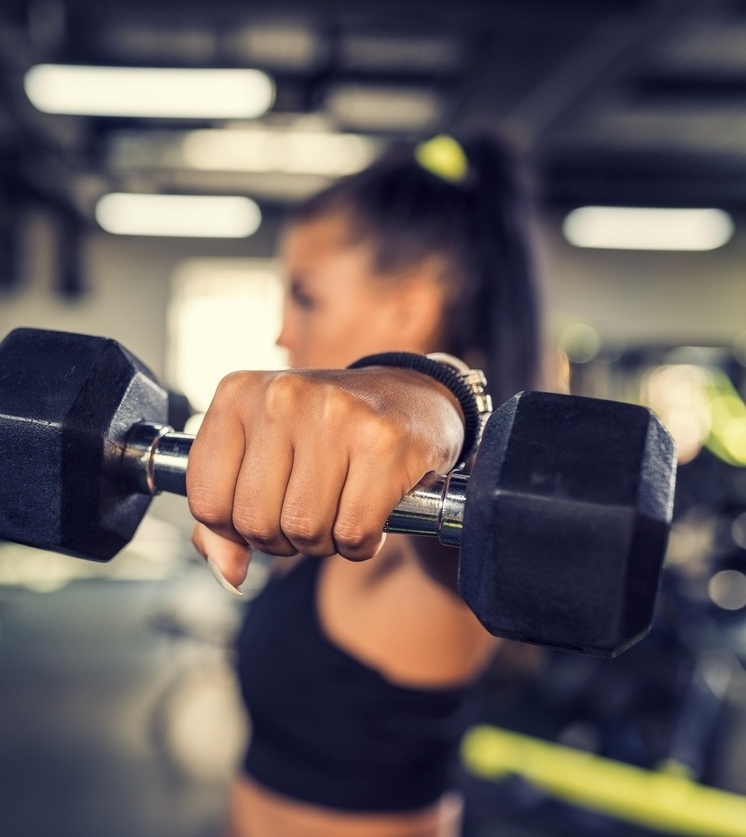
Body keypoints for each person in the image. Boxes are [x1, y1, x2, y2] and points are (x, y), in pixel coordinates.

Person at [186, 132, 543, 837]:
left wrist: (431, 395)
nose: (284, 332)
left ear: (410, 311)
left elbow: (444, 432)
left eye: (306, 297)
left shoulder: (457, 521)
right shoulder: (363, 505)